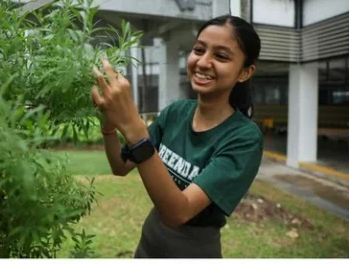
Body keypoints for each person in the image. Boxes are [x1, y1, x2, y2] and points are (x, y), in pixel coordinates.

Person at [91, 15, 263, 258]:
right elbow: (120, 165)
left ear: (245, 72)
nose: (203, 62)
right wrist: (108, 126)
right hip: (148, 246)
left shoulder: (244, 138)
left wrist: (134, 126)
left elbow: (178, 212)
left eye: (221, 56)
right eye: (199, 50)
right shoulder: (176, 113)